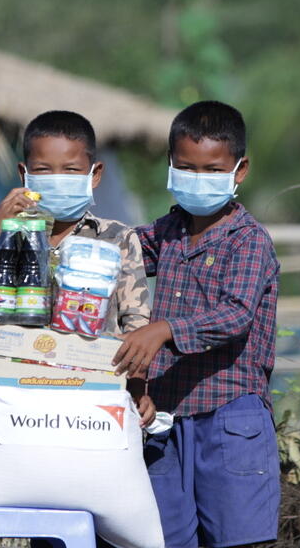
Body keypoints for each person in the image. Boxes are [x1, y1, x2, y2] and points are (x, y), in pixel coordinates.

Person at [112, 101, 281, 548]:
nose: (198, 179)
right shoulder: (168, 230)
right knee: (163, 537)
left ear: (239, 170)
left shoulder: (249, 240)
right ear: (170, 165)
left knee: (236, 537)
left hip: (230, 416)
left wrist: (163, 329)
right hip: (163, 417)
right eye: (187, 168)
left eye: (212, 169)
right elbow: (120, 256)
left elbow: (236, 314)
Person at [0, 109, 155, 420]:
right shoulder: (12, 236)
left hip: (93, 396)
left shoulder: (118, 238)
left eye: (71, 170)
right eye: (44, 170)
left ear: (95, 174)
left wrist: (139, 388)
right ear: (25, 175)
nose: (57, 180)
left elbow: (136, 323)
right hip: (19, 394)